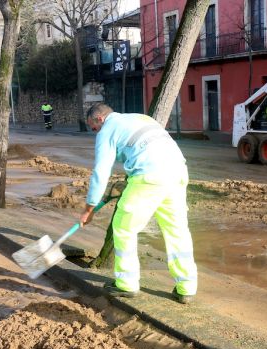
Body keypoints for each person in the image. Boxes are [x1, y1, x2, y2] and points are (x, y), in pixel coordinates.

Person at [79, 103, 198, 304]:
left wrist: (89, 208)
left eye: (93, 128)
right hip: (177, 171)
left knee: (123, 227)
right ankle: (186, 287)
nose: (95, 132)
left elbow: (101, 171)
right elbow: (147, 148)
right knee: (176, 230)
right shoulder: (140, 118)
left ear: (99, 119)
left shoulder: (107, 130)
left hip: (149, 176)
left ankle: (126, 283)